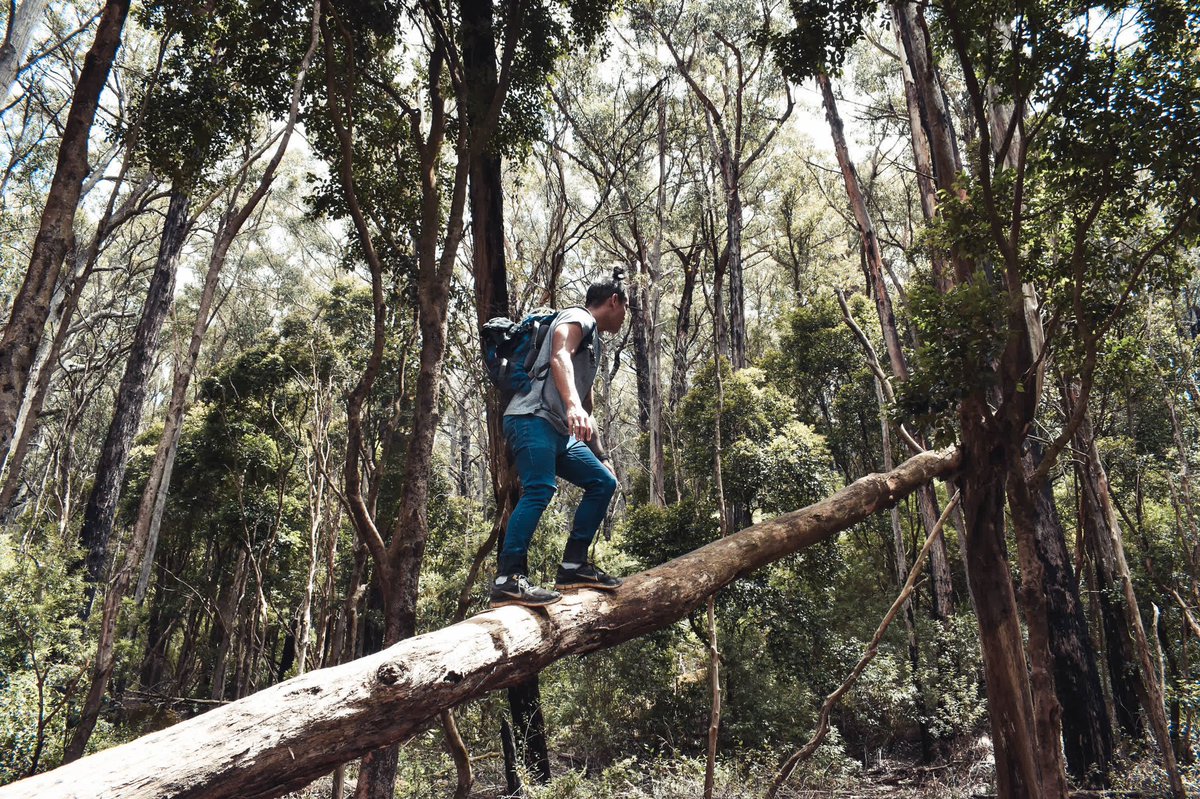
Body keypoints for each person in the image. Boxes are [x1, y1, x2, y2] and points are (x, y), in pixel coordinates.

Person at [491, 274, 628, 608]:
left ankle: (572, 566)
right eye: (626, 308)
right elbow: (559, 355)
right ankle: (508, 579)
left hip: (556, 430)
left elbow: (588, 405)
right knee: (540, 488)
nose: (626, 316)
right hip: (531, 418)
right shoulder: (577, 316)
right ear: (614, 301)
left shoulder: (593, 343)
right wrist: (571, 406)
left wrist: (599, 453)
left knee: (602, 481)